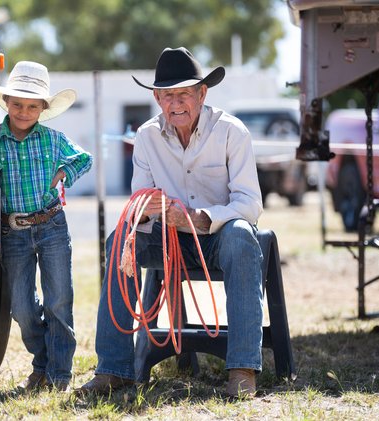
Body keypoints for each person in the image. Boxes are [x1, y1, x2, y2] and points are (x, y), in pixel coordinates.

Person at [78, 47, 264, 398]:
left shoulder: (232, 132)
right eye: (167, 95)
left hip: (217, 235)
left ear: (202, 94)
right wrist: (147, 209)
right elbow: (138, 204)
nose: (175, 103)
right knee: (120, 240)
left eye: (183, 94)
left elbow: (250, 204)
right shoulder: (146, 136)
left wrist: (199, 217)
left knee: (241, 236)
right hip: (168, 238)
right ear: (156, 98)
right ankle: (113, 370)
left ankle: (242, 369)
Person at [0, 61, 93, 391]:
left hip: (51, 224)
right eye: (18, 104)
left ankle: (58, 374)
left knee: (59, 300)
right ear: (7, 102)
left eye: (32, 106)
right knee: (21, 308)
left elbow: (84, 158)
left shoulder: (53, 139)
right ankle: (43, 360)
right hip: (14, 232)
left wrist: (64, 174)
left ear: (43, 108)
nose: (24, 112)